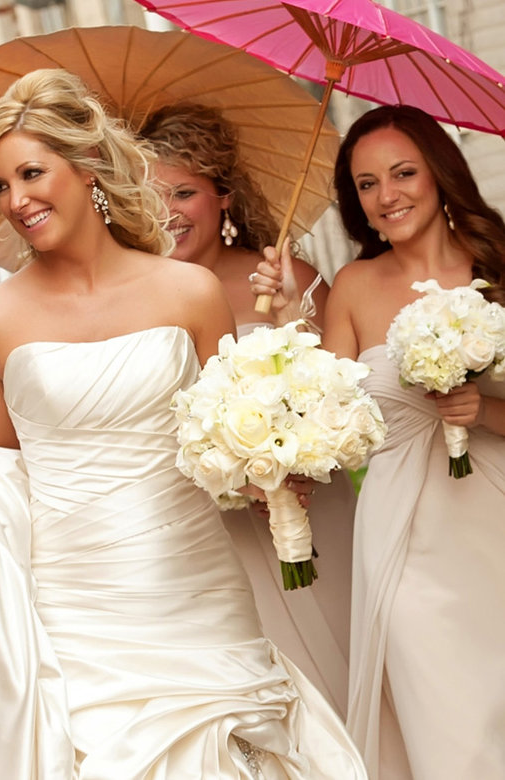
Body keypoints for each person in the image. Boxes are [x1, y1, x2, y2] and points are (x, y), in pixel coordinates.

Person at [0, 69, 366, 778]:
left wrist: (275, 461)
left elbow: (227, 432)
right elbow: (2, 478)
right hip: (73, 603)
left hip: (195, 581)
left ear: (86, 170)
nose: (15, 201)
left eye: (30, 173)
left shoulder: (188, 291)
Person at [252, 103, 505, 779]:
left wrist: (481, 410)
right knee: (446, 719)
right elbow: (327, 416)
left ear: (439, 172)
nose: (386, 196)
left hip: (497, 518)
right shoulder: (356, 288)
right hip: (404, 541)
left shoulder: (498, 264)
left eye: (401, 173)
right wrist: (283, 324)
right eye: (366, 184)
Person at [140, 103, 355, 716]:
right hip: (205, 528)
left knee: (338, 666)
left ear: (223, 196)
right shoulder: (133, 299)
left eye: (184, 191)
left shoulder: (287, 276)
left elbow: (346, 394)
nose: (167, 212)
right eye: (151, 195)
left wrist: (292, 317)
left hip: (309, 507)